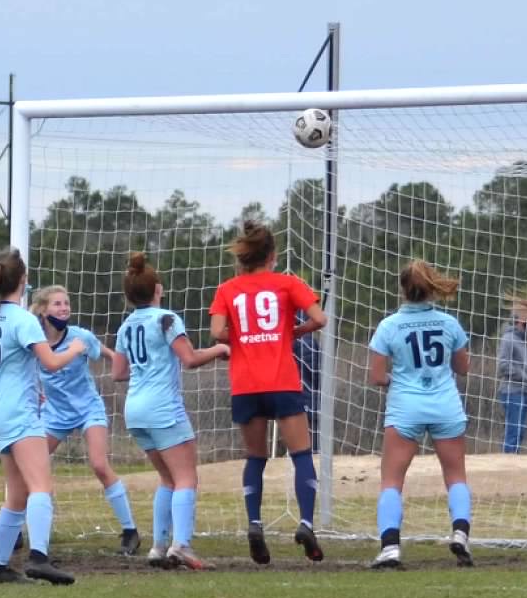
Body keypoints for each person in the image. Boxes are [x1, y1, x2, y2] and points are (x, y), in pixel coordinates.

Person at [210, 221, 329, 563]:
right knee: (302, 454)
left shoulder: (227, 289)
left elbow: (218, 331)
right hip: (282, 381)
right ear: (273, 256)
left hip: (246, 384)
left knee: (256, 458)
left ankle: (255, 523)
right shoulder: (288, 283)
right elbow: (320, 319)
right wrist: (291, 332)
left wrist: (243, 337)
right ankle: (306, 522)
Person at [0, 249, 87, 585]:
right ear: (22, 281)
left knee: (18, 495)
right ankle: (39, 558)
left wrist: (22, 383)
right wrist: (75, 349)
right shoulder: (23, 320)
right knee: (41, 488)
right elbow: (50, 363)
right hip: (20, 415)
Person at [111, 253, 229, 570]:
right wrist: (219, 349)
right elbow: (189, 359)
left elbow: (119, 373)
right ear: (158, 289)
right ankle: (182, 546)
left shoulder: (126, 326)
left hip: (134, 409)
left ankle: (158, 546)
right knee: (186, 478)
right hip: (163, 407)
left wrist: (148, 365)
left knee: (167, 479)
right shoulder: (167, 319)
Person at [368, 261, 475, 569]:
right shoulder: (449, 323)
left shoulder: (389, 326)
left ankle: (390, 548)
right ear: (432, 287)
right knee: (455, 476)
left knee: (391, 480)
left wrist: (397, 380)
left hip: (406, 407)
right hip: (445, 404)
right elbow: (463, 368)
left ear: (403, 289)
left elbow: (376, 376)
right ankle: (460, 534)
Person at [29, 285, 138, 557]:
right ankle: (21, 530)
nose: (64, 308)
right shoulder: (33, 340)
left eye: (67, 303)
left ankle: (130, 531)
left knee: (100, 465)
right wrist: (36, 393)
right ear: (43, 310)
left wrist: (125, 368)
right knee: (30, 468)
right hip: (55, 414)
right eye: (57, 304)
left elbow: (108, 353)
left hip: (88, 408)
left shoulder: (80, 337)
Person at [496, 301, 527, 453]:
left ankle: (512, 460)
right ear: (522, 321)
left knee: (520, 432)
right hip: (513, 392)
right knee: (514, 432)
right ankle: (507, 462)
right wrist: (524, 377)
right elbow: (503, 365)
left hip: (526, 392)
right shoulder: (508, 339)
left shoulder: (524, 341)